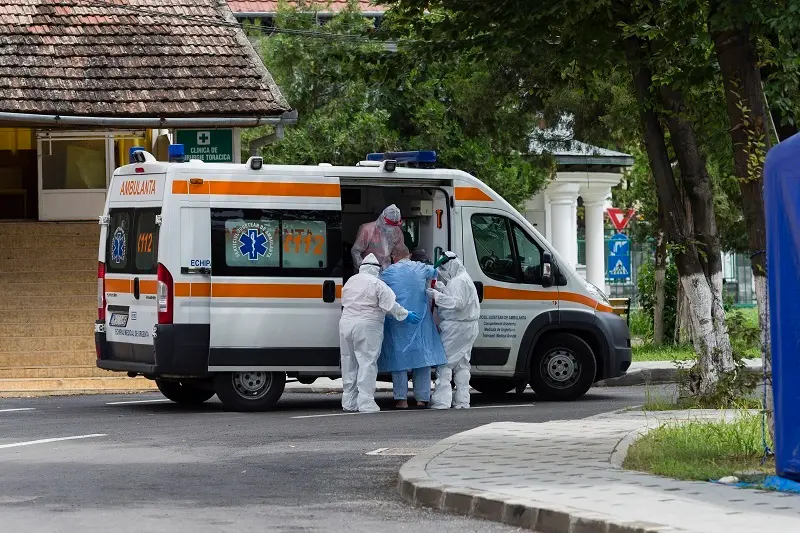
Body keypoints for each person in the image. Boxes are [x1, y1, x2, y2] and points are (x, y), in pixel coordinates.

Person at [340, 253, 421, 413]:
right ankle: (366, 402)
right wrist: (405, 315)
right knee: (367, 362)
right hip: (367, 325)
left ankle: (349, 402)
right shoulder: (377, 283)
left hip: (346, 323)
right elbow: (390, 305)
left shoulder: (351, 281)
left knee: (349, 361)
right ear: (376, 269)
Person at [378, 245, 446, 409]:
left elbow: (378, 288)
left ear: (394, 257)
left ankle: (401, 399)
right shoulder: (421, 267)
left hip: (398, 322)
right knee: (422, 358)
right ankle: (422, 398)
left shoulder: (388, 272)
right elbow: (435, 272)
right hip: (420, 321)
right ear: (408, 255)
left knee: (399, 359)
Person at [427, 252, 481, 409]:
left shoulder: (459, 281)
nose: (444, 270)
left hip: (456, 328)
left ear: (450, 264)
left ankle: (441, 401)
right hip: (468, 327)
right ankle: (462, 401)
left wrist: (437, 296)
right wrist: (442, 289)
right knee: (462, 364)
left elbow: (457, 304)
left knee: (445, 363)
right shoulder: (463, 279)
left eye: (444, 267)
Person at [351, 205, 405, 271]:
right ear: (382, 218)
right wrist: (363, 268)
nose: (391, 227)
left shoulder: (397, 231)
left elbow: (400, 252)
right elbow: (356, 251)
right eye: (388, 224)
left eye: (394, 225)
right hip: (369, 270)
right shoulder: (367, 230)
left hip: (387, 271)